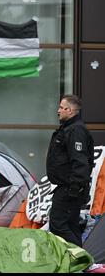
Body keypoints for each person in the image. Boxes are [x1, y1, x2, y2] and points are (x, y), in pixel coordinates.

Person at [46, 94, 94, 247]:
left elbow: (80, 161)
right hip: (67, 187)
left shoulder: (75, 131)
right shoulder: (68, 129)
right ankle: (78, 263)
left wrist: (75, 187)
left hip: (70, 188)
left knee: (58, 224)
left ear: (70, 110)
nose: (58, 110)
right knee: (71, 225)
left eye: (61, 107)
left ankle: (80, 259)